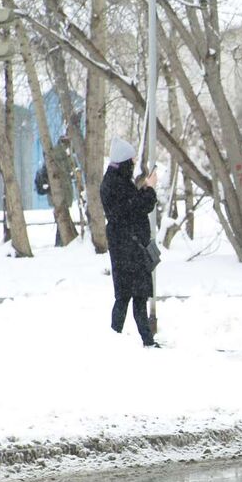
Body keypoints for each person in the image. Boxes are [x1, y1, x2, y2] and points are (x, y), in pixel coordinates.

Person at [100, 139, 159, 347]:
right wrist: (150, 189)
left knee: (126, 297)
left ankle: (122, 337)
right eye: (131, 161)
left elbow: (130, 205)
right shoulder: (118, 184)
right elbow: (136, 208)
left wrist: (143, 190)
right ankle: (146, 341)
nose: (133, 165)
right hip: (129, 250)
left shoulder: (114, 181)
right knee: (136, 296)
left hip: (126, 248)